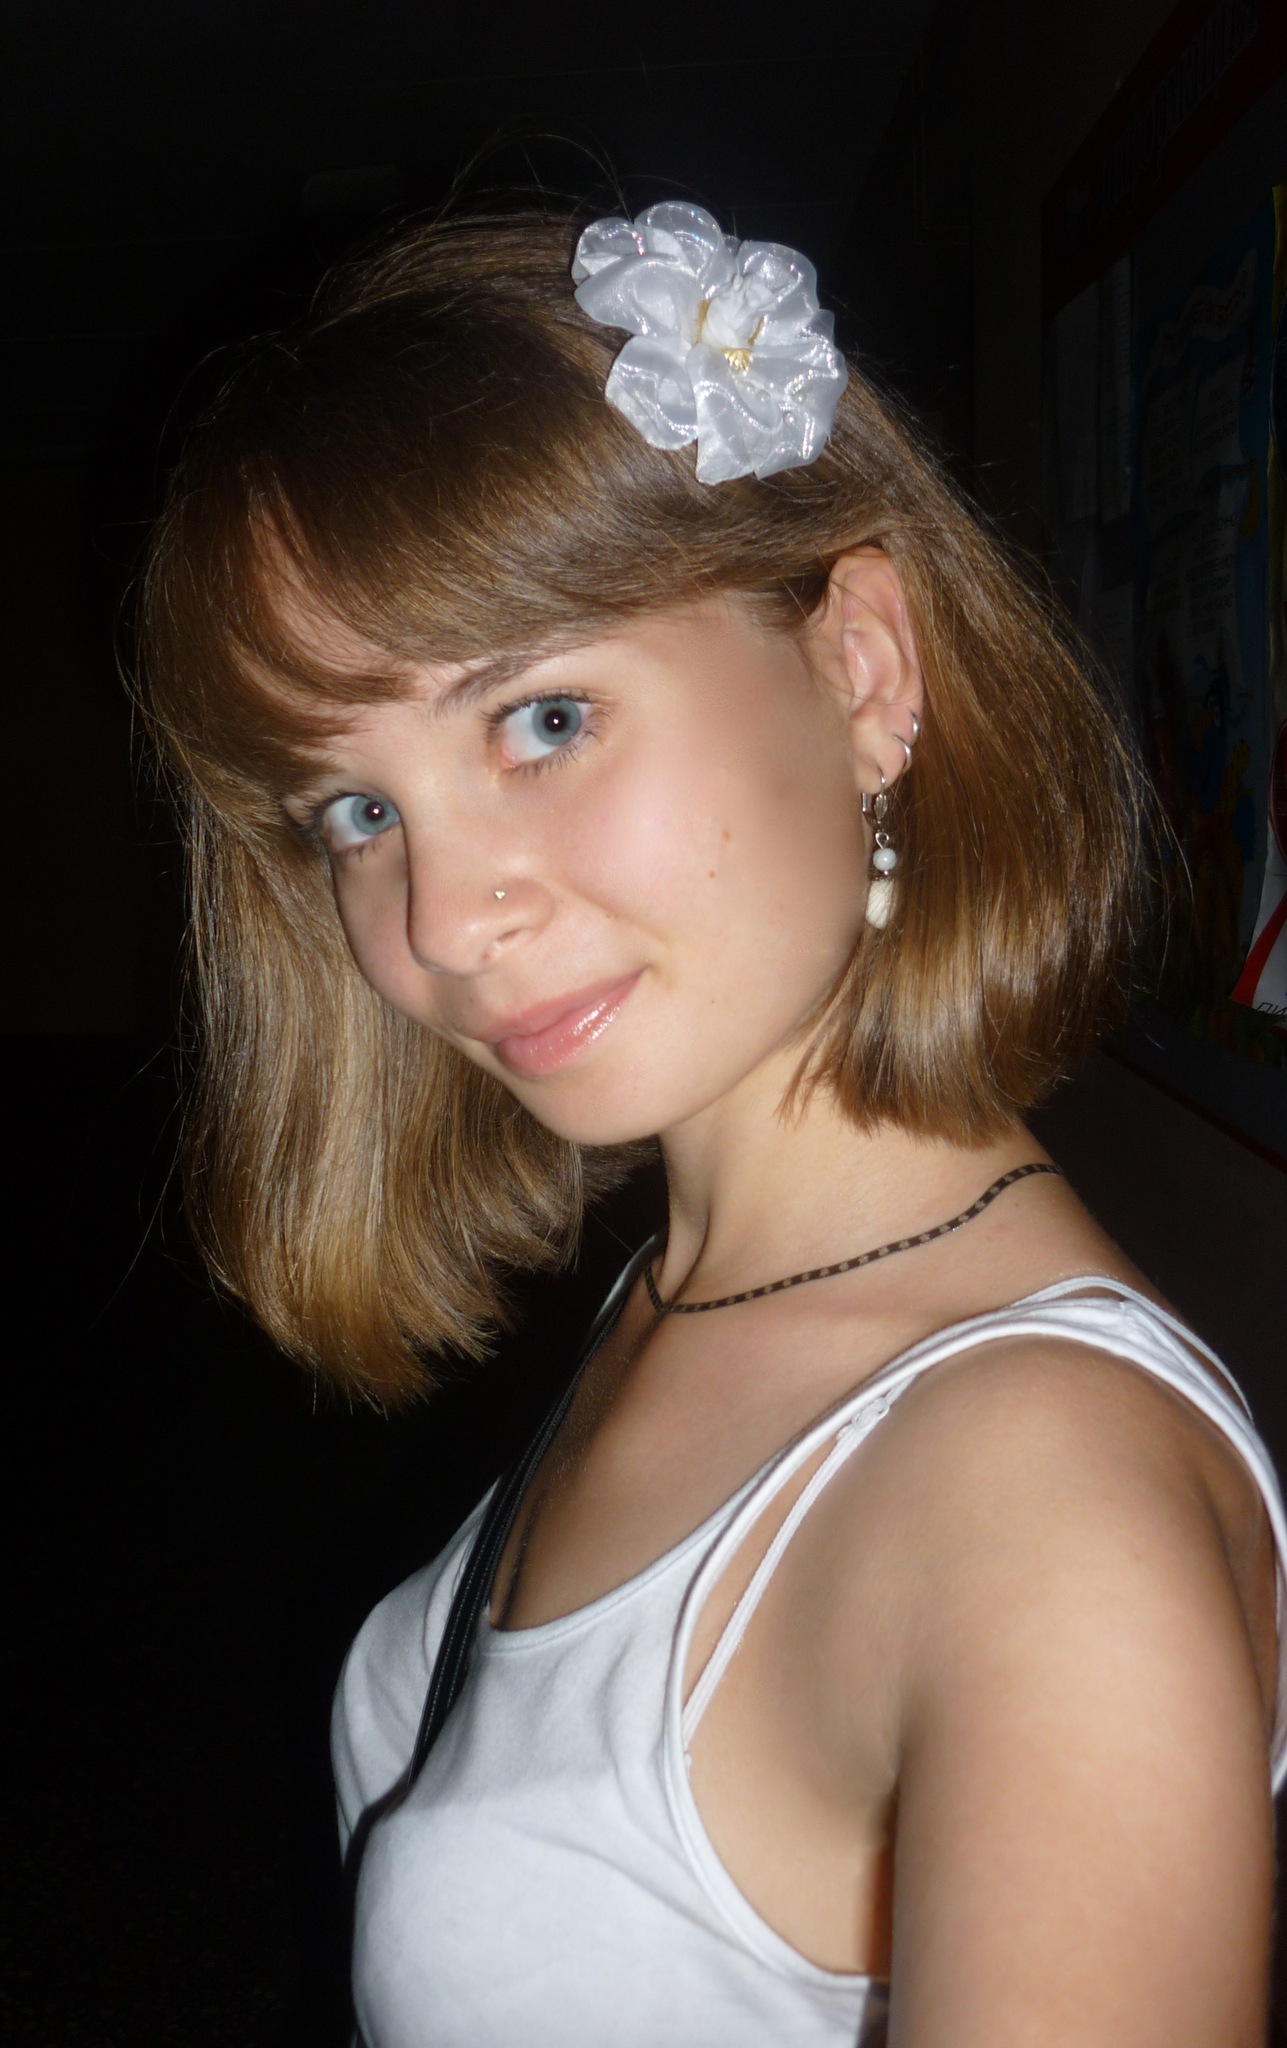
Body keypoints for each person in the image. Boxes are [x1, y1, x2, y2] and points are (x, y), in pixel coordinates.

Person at [139, 201, 1286, 2047]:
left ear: (863, 670)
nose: (442, 919)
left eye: (544, 719)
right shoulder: (695, 1285)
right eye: (356, 813)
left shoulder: (1045, 1500)